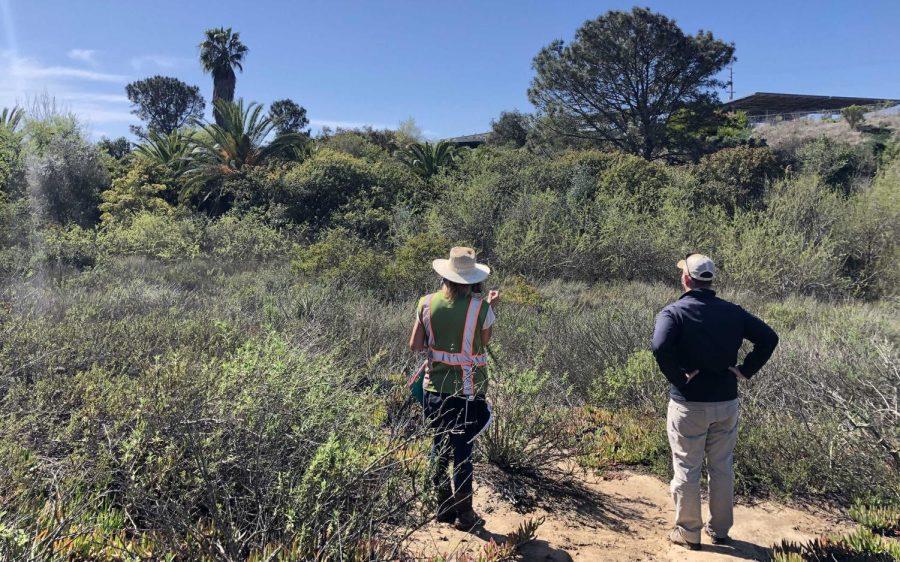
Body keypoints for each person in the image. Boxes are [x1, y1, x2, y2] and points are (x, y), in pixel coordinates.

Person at [651, 253, 778, 551]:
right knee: (721, 467)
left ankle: (688, 532)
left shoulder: (674, 312)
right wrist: (745, 370)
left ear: (686, 279)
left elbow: (659, 346)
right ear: (710, 280)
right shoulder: (733, 312)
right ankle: (720, 530)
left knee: (686, 467)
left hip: (689, 404)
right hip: (726, 402)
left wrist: (680, 377)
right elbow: (769, 338)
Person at [408, 247, 499, 531]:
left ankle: (442, 507)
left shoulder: (426, 303)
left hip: (434, 389)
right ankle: (465, 514)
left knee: (439, 445)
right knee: (463, 451)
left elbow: (415, 345)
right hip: (467, 393)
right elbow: (484, 342)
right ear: (473, 278)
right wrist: (491, 307)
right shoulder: (480, 307)